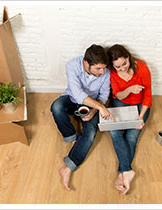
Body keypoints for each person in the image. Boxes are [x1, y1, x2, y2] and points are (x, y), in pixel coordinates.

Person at [50, 44, 115, 191]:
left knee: (90, 133)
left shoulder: (105, 73)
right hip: (72, 98)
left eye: (103, 68)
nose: (102, 72)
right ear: (86, 63)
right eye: (98, 68)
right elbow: (78, 94)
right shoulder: (72, 65)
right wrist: (101, 108)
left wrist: (94, 110)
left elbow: (104, 95)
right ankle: (72, 138)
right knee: (56, 107)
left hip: (92, 104)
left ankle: (68, 168)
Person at [107, 44, 152, 195]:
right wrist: (129, 89)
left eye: (124, 64)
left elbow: (148, 95)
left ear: (128, 58)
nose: (122, 69)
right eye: (118, 67)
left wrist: (140, 117)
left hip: (140, 106)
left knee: (132, 135)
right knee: (114, 133)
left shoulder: (142, 68)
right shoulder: (113, 72)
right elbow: (118, 95)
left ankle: (123, 172)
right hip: (121, 102)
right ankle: (127, 171)